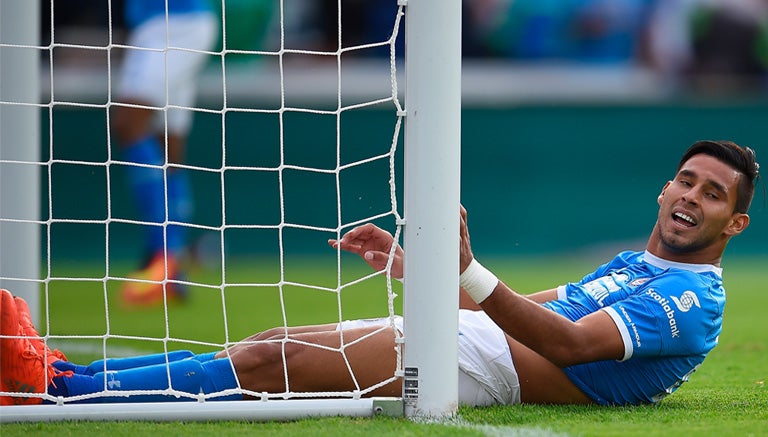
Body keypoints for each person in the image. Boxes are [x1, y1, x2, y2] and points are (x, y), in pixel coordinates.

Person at [0, 140, 760, 407]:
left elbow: (566, 346)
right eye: (686, 181)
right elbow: (521, 305)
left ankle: (58, 388)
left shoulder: (693, 295)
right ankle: (71, 374)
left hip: (490, 373)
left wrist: (466, 272)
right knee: (271, 341)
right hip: (477, 342)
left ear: (736, 223)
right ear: (665, 187)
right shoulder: (639, 262)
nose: (692, 197)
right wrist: (416, 271)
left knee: (271, 363)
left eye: (713, 193)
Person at [112, 0, 217, 306]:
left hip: (179, 21)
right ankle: (172, 264)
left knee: (129, 119)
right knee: (168, 146)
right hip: (153, 24)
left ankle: (163, 261)